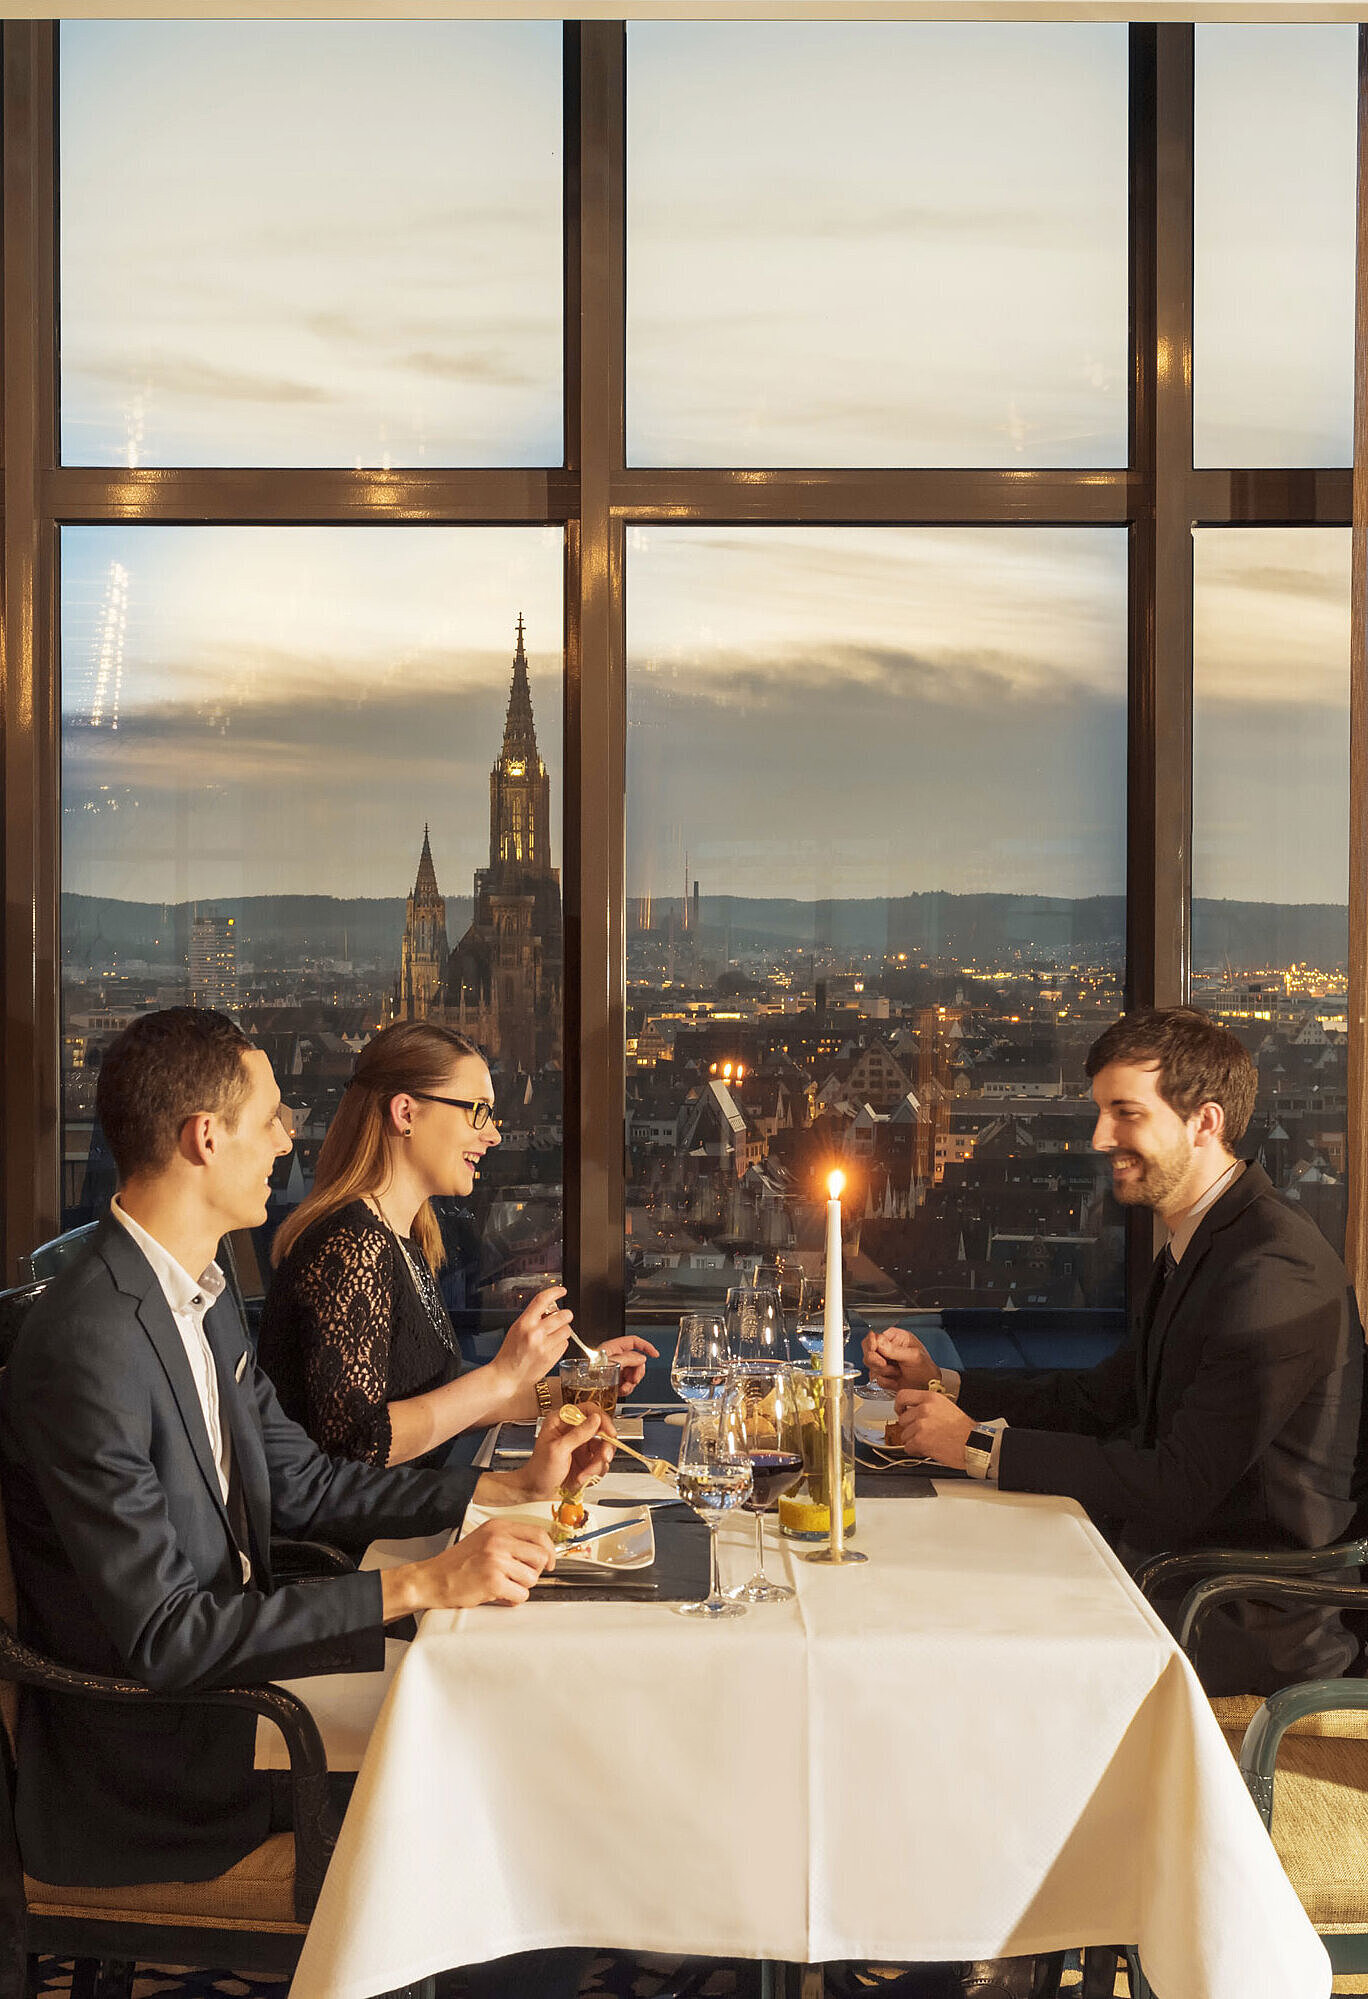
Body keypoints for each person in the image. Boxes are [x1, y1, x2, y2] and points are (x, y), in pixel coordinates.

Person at [0, 1007, 614, 1898]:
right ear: (206, 1138)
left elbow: (306, 1481)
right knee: (514, 1779)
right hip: (164, 1757)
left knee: (520, 1715)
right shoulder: (86, 1343)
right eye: (273, 1118)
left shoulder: (201, 1294)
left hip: (239, 1693)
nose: (290, 1141)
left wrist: (504, 1486)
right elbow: (167, 1638)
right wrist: (418, 1583)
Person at [866, 1005, 1363, 1695]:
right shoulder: (1207, 1242)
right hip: (1175, 1574)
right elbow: (1099, 1400)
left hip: (1233, 1617)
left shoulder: (1273, 1268)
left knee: (950, 1630)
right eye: (1101, 1112)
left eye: (1125, 1112)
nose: (1102, 1136)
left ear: (1205, 1121)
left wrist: (978, 1447)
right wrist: (945, 1382)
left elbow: (1178, 1481)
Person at [257, 1019, 656, 1467]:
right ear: (406, 1113)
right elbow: (359, 1447)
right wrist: (504, 1374)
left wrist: (576, 1388)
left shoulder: (400, 1237)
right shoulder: (350, 1245)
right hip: (372, 1537)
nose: (494, 1135)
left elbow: (442, 1408)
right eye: (478, 1111)